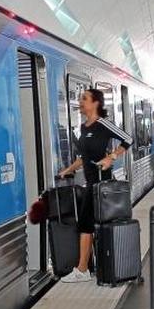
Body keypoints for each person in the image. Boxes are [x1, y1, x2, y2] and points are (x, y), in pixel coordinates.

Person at [57, 87, 132, 282]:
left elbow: (128, 139)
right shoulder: (84, 127)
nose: (80, 102)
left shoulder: (103, 124)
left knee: (86, 224)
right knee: (87, 224)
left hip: (102, 182)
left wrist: (111, 156)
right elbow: (83, 156)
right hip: (91, 181)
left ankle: (83, 270)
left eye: (84, 99)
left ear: (95, 103)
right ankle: (87, 268)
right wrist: (68, 169)